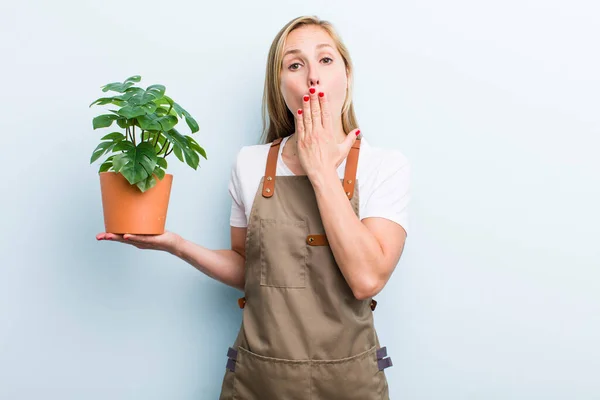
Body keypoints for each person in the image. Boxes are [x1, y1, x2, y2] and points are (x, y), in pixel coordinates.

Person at [96, 15, 410, 400]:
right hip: (258, 381)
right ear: (280, 86)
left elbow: (367, 279)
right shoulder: (250, 163)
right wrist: (174, 244)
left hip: (350, 383)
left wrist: (320, 171)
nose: (313, 76)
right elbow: (252, 269)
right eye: (295, 64)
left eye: (326, 60)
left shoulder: (385, 166)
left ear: (346, 73)